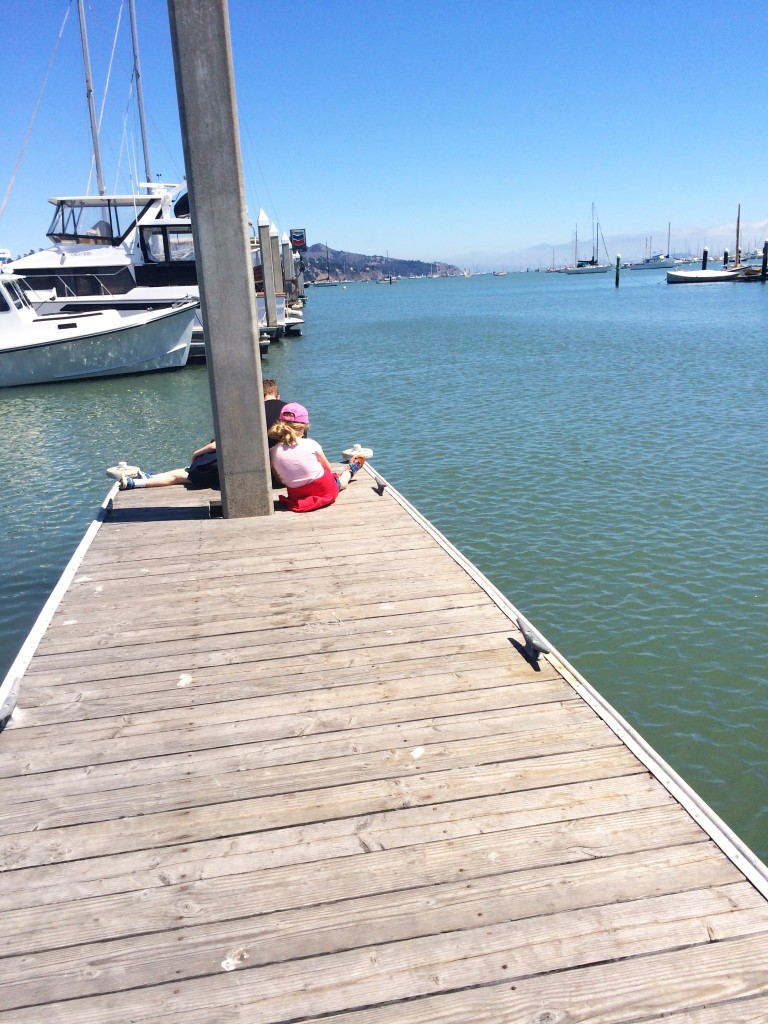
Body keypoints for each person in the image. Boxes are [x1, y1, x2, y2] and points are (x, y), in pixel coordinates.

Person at [269, 402, 365, 512]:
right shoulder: (311, 444)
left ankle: (347, 472)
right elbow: (328, 469)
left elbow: (279, 479)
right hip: (324, 488)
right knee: (340, 482)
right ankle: (350, 471)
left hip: (297, 495)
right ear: (304, 426)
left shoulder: (273, 452)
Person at [118, 439, 218, 490]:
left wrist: (195, 454)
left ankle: (134, 483)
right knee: (184, 472)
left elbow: (213, 446)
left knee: (176, 477)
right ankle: (151, 477)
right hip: (215, 470)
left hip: (208, 469)